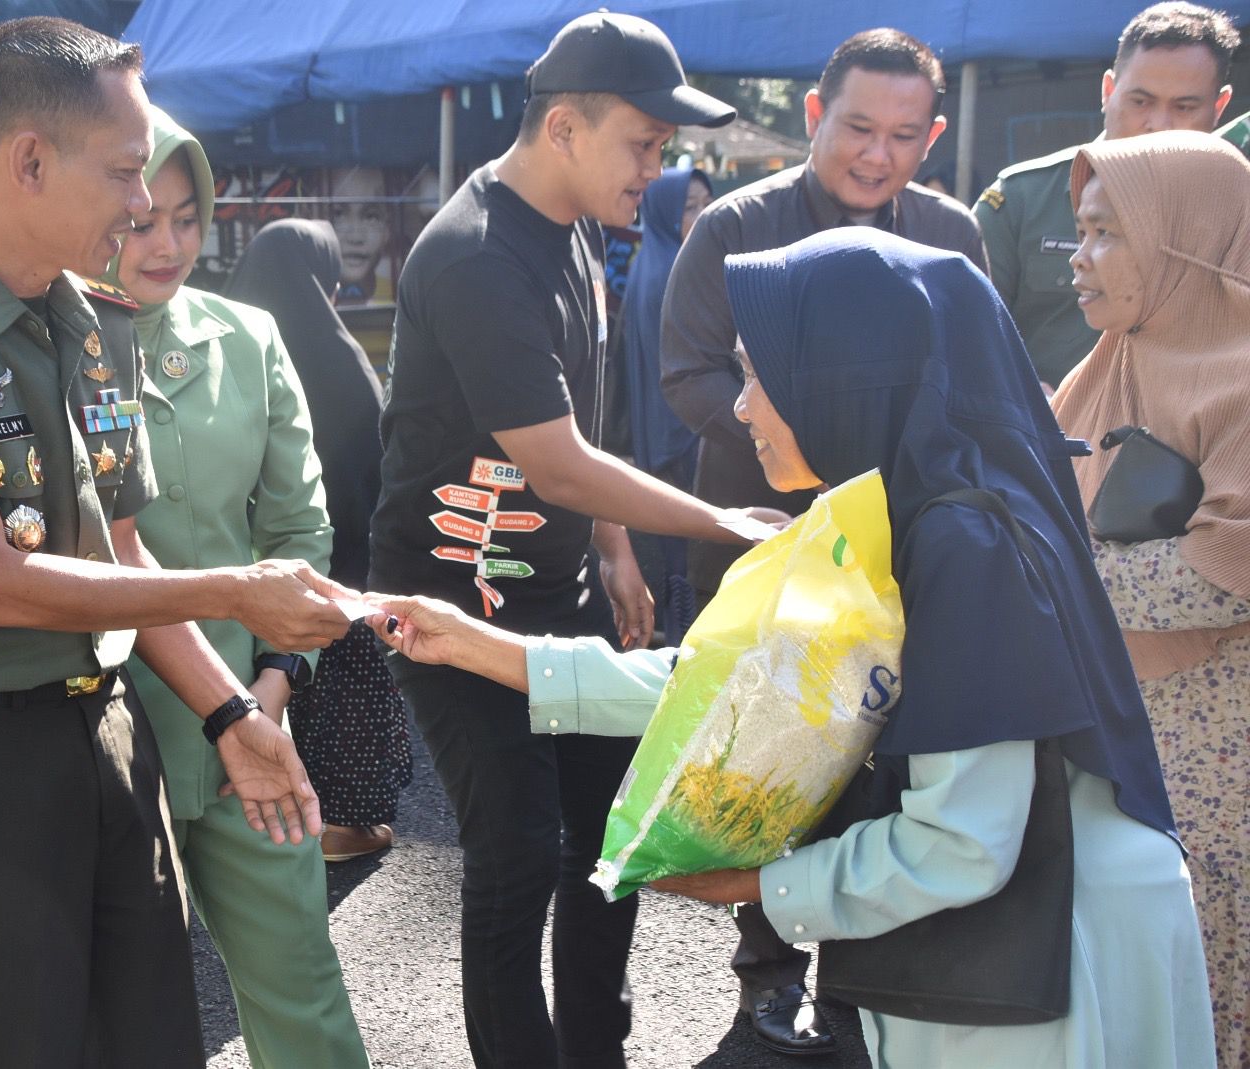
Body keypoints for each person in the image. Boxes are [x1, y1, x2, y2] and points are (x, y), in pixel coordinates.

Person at [372, 227, 1215, 1069]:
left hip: (1060, 964)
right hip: (1019, 954)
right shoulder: (902, 506)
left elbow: (961, 842)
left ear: (844, 372)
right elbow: (743, 682)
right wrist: (482, 648)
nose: (741, 407)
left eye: (756, 372)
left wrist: (754, 885)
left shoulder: (961, 542)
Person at [0, 109, 371, 1069]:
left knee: (228, 1011)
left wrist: (251, 701)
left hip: (171, 719)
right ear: (36, 166)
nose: (150, 225)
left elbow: (177, 542)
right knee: (20, 1031)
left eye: (182, 214)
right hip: (28, 736)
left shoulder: (160, 331)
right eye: (132, 192)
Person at [368, 12, 780, 1067]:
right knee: (513, 853)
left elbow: (584, 414)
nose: (658, 169)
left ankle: (597, 1049)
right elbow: (554, 461)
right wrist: (721, 520)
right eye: (643, 144)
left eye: (663, 147)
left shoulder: (585, 225)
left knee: (610, 841)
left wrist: (614, 546)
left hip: (562, 593)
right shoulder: (474, 256)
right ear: (563, 127)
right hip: (451, 605)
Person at [657, 28, 985, 1054]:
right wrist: (813, 444)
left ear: (932, 137)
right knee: (766, 763)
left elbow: (972, 380)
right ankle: (766, 974)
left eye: (903, 136)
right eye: (856, 128)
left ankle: (865, 975)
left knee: (885, 769)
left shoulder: (950, 233)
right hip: (761, 539)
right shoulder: (735, 227)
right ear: (813, 115)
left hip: (901, 552)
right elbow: (688, 373)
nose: (877, 156)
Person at [1053, 130, 1250, 1069]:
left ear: (1182, 244)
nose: (1079, 258)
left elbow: (1221, 571)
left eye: (1107, 234)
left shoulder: (1243, 379)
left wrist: (1060, 570)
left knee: (1204, 990)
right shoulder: (1105, 365)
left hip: (1216, 758)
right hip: (1111, 727)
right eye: (1079, 231)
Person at [225, 218, 412, 863]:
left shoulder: (226, 347)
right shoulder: (339, 357)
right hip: (337, 560)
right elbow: (373, 464)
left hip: (235, 567)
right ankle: (335, 825)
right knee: (337, 690)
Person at [974, 2, 1238, 391]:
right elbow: (964, 334)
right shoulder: (1021, 200)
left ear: (1219, 107)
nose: (1158, 125)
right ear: (1108, 91)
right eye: (1140, 102)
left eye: (1184, 107)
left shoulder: (1237, 212)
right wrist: (1021, 396)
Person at [617, 166, 712, 642]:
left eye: (706, 204)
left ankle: (679, 634)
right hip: (682, 432)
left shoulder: (650, 261)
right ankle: (685, 638)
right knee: (692, 551)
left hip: (658, 429)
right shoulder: (676, 270)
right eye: (689, 207)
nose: (702, 216)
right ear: (664, 214)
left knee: (678, 549)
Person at [329, 166, 392, 305]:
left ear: (388, 229)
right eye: (338, 214)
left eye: (371, 217)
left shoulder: (401, 296)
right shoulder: (294, 297)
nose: (355, 237)